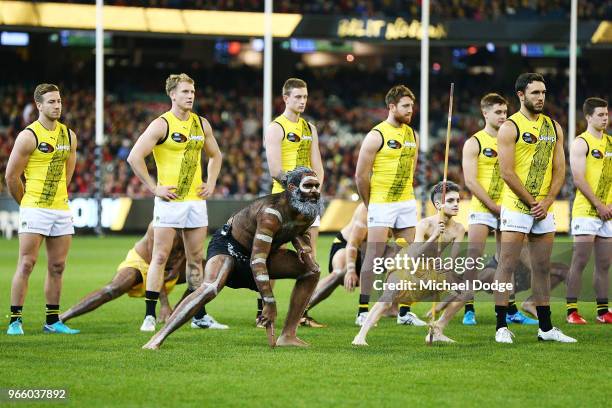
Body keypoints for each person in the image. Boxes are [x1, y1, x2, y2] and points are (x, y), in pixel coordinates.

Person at [142, 167, 322, 350]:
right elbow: (257, 260)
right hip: (230, 246)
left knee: (312, 271)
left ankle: (288, 335)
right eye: (308, 186)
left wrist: (303, 245)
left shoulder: (309, 209)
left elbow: (297, 230)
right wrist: (269, 301)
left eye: (317, 185)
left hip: (262, 252)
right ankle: (158, 337)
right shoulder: (271, 213)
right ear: (292, 188)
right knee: (210, 287)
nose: (315, 191)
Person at [127, 73, 222, 332]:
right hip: (170, 202)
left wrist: (211, 182)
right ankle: (149, 315)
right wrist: (153, 188)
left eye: (192, 91)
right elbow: (134, 157)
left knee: (196, 259)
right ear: (172, 95)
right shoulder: (161, 125)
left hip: (195, 202)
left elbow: (216, 156)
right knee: (159, 257)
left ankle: (198, 315)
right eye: (185, 92)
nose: (190, 96)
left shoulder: (202, 124)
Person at [494, 72, 575, 343]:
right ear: (520, 95)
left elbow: (560, 169)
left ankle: (546, 328)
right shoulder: (510, 127)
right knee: (507, 265)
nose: (541, 98)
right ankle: (501, 326)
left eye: (543, 92)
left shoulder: (554, 127)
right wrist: (532, 202)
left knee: (541, 267)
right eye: (535, 93)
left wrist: (548, 201)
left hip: (544, 207)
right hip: (518, 206)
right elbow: (506, 172)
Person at [352, 181, 465, 346]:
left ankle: (438, 328)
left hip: (430, 269)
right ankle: (360, 337)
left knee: (467, 288)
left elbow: (452, 260)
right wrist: (433, 237)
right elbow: (415, 253)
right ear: (438, 204)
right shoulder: (425, 224)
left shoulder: (459, 229)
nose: (456, 205)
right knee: (387, 299)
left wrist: (446, 265)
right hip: (406, 264)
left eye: (457, 201)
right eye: (450, 201)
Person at [5, 84, 79, 335]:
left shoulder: (69, 136)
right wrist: (26, 204)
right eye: (51, 102)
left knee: (58, 266)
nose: (57, 105)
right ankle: (15, 320)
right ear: (38, 105)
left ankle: (52, 320)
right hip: (34, 207)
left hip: (60, 208)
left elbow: (68, 173)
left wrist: (59, 195)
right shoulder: (28, 136)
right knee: (26, 264)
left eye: (59, 101)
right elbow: (11, 177)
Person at [59, 223, 227, 329]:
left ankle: (187, 315)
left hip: (170, 269)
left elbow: (189, 254)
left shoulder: (192, 224)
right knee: (113, 288)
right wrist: (164, 304)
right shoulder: (158, 226)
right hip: (142, 264)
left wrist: (176, 269)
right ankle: (63, 317)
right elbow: (157, 263)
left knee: (208, 269)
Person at [461, 93, 536, 326]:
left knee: (508, 261)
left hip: (507, 207)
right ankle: (468, 309)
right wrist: (493, 206)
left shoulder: (511, 139)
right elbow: (471, 181)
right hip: (483, 207)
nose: (504, 116)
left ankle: (510, 309)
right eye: (498, 112)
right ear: (485, 113)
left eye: (505, 112)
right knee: (473, 258)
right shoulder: (474, 142)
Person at [354, 85, 419, 325]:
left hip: (406, 202)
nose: (410, 110)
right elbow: (360, 176)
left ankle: (402, 311)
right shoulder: (376, 135)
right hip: (381, 202)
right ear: (391, 107)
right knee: (373, 255)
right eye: (405, 106)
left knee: (407, 258)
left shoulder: (413, 134)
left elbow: (412, 169)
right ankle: (362, 311)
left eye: (411, 106)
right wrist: (371, 205)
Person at [260, 78, 324, 322]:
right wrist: (299, 188)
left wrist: (316, 188)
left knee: (310, 255)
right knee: (274, 255)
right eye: (297, 97)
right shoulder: (276, 127)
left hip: (309, 201)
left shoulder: (310, 129)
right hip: (284, 201)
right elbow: (275, 169)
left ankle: (302, 314)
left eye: (305, 97)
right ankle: (263, 310)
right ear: (285, 98)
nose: (302, 101)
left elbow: (317, 163)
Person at [566, 97, 612, 324]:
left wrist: (609, 206)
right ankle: (571, 310)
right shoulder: (581, 143)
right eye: (600, 115)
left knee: (604, 263)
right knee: (580, 260)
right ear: (588, 117)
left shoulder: (611, 143)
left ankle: (603, 311)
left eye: (606, 114)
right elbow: (578, 179)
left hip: (608, 212)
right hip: (587, 210)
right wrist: (598, 204)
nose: (605, 118)